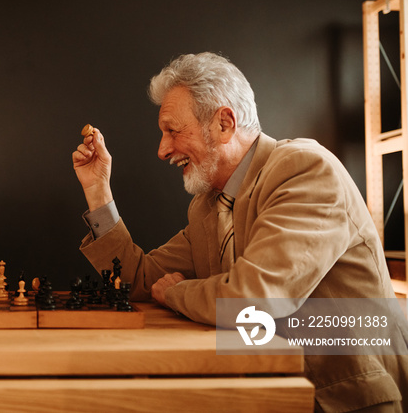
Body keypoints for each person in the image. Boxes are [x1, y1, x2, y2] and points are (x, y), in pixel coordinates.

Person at [72, 52, 408, 411]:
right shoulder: (207, 206)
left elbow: (255, 299)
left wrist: (177, 294)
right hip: (269, 388)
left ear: (224, 123)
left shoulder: (305, 168)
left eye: (173, 130)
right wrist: (98, 190)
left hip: (342, 400)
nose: (162, 149)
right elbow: (139, 279)